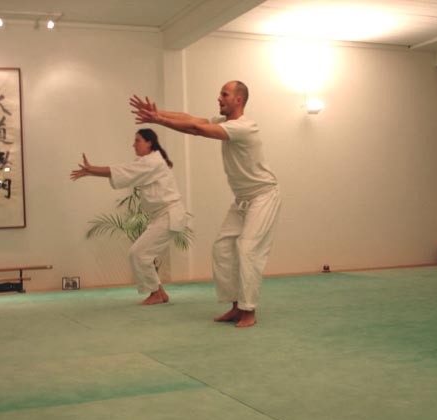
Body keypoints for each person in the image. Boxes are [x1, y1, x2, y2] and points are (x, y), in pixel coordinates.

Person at [130, 81, 280, 327]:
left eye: (224, 94)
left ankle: (249, 310)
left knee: (247, 249)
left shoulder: (244, 127)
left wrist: (159, 120)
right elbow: (192, 119)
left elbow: (196, 129)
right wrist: (158, 113)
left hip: (263, 196)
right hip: (242, 199)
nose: (219, 98)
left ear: (238, 100)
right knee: (222, 249)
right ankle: (235, 306)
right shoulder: (225, 123)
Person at [70, 128, 187, 305]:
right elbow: (124, 173)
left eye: (137, 140)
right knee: (141, 253)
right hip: (163, 216)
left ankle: (155, 293)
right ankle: (159, 293)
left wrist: (92, 169)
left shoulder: (153, 162)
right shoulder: (148, 162)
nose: (133, 144)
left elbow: (122, 171)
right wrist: (92, 172)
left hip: (169, 214)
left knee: (138, 253)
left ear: (149, 143)